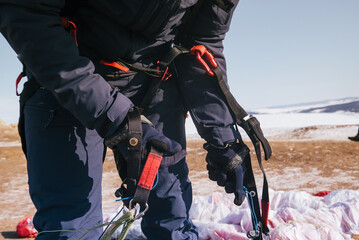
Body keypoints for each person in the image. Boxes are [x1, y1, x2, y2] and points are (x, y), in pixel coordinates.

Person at [0, 0, 264, 239]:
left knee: (172, 219)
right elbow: (24, 12)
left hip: (153, 82)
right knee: (72, 229)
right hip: (66, 76)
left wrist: (222, 137)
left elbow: (203, 41)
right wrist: (114, 116)